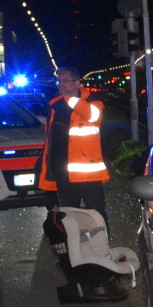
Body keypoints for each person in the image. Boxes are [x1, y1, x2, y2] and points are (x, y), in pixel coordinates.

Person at [41, 66, 109, 220]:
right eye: (59, 81)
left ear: (77, 83)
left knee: (96, 213)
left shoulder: (93, 101)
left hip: (88, 173)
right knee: (68, 215)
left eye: (65, 80)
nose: (61, 84)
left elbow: (92, 116)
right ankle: (73, 243)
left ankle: (100, 243)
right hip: (63, 172)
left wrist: (69, 98)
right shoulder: (55, 105)